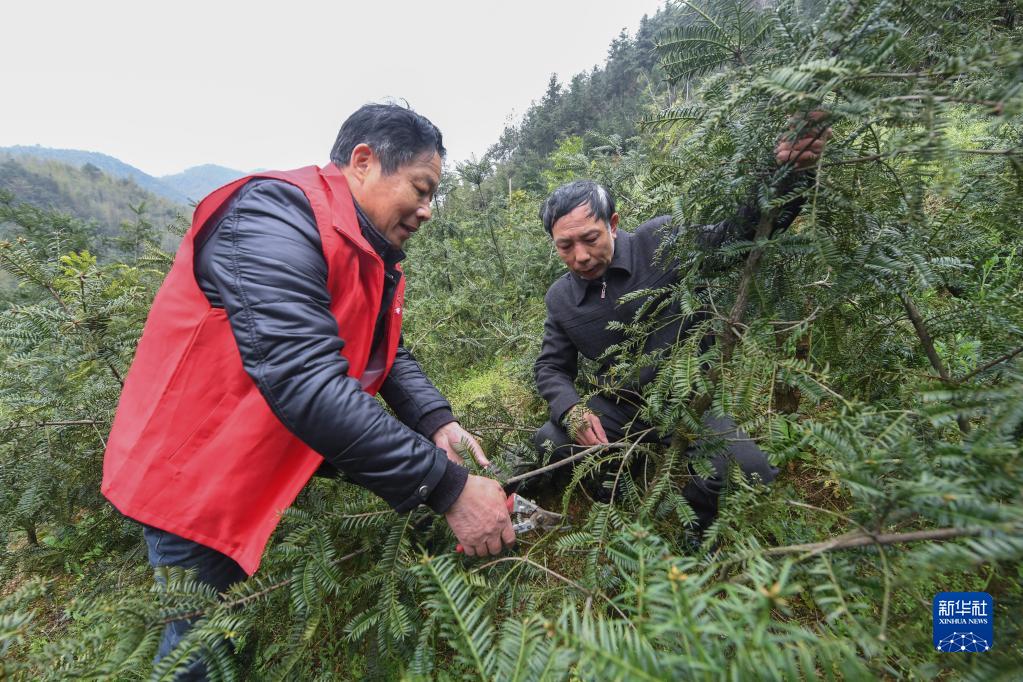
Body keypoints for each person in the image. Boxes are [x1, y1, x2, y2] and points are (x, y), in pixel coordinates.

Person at [101, 104, 514, 678]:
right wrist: (449, 489)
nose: (426, 211)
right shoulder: (271, 217)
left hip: (251, 457)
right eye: (420, 189)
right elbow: (305, 381)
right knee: (202, 649)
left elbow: (382, 349)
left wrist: (434, 420)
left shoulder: (364, 247)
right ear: (365, 162)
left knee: (225, 630)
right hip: (191, 472)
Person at [532, 121, 829, 532]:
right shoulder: (560, 298)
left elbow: (735, 237)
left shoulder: (663, 240)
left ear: (613, 223)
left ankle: (692, 527)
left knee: (750, 470)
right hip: (621, 408)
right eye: (565, 246)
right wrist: (572, 409)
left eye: (590, 238)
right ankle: (610, 482)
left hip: (691, 399)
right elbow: (550, 368)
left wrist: (786, 173)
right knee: (547, 443)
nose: (580, 256)